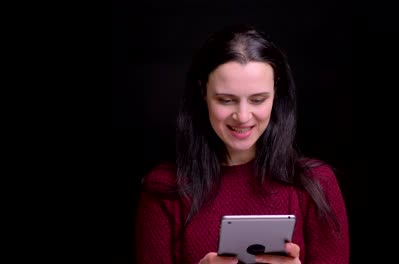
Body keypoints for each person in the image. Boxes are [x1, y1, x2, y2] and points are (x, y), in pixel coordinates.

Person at [135, 24, 349, 264]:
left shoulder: (316, 184)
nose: (243, 116)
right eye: (226, 100)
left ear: (276, 93)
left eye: (258, 99)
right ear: (202, 91)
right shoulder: (164, 189)